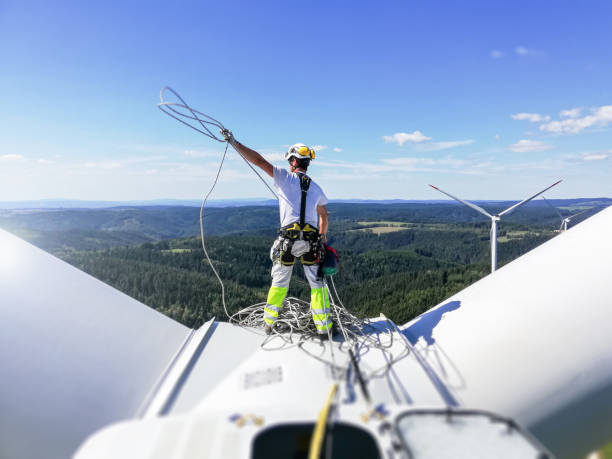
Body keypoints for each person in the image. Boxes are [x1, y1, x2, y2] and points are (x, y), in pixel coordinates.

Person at [221, 129, 333, 337]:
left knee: (280, 283)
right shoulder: (316, 188)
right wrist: (322, 238)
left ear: (292, 161)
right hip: (310, 242)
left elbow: (259, 161)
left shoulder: (285, 177)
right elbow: (323, 216)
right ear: (307, 163)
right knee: (317, 285)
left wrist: (235, 143)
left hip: (287, 242)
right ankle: (324, 327)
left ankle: (268, 324)